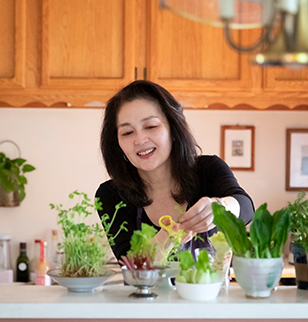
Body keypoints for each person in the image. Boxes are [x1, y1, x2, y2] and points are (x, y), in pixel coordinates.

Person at [95, 80, 254, 263]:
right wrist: (170, 235)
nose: (139, 140)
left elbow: (246, 208)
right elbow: (130, 263)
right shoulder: (111, 195)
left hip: (210, 292)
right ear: (117, 143)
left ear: (173, 128)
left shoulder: (208, 169)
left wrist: (221, 208)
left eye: (151, 127)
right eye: (127, 133)